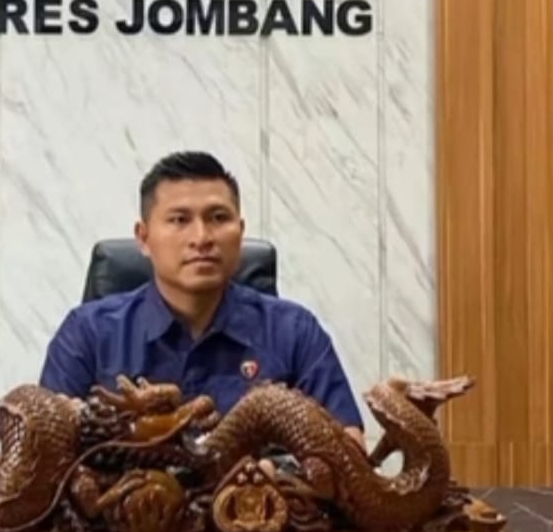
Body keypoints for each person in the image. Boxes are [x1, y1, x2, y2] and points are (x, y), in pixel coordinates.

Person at [39, 150, 366, 448]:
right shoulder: (88, 333)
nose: (202, 238)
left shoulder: (293, 331)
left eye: (218, 218)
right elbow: (44, 450)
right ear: (144, 238)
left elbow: (349, 450)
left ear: (240, 230)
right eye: (179, 220)